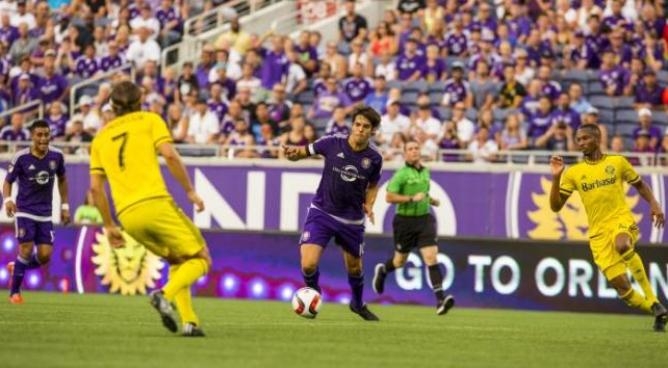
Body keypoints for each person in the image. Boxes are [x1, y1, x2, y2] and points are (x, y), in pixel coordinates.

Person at [89, 81, 212, 337]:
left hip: (127, 217)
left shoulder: (99, 139)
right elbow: (169, 155)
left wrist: (109, 225)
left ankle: (190, 323)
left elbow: (96, 190)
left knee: (178, 259)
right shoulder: (150, 119)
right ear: (139, 101)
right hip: (155, 203)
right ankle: (162, 294)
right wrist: (190, 190)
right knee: (201, 258)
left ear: (112, 106)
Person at [549, 124, 667, 332]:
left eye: (586, 138)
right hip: (598, 234)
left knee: (622, 244)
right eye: (579, 140)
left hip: (620, 220)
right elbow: (555, 207)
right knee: (623, 288)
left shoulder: (617, 162)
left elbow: (639, 184)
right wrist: (557, 177)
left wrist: (655, 204)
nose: (582, 143)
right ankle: (656, 308)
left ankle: (651, 297)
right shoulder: (574, 173)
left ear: (597, 138)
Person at [282, 105, 383, 321]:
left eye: (366, 126)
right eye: (357, 124)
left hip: (352, 219)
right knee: (308, 263)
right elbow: (304, 151)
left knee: (355, 268)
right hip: (323, 212)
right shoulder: (332, 142)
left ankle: (357, 303)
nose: (360, 129)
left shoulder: (374, 158)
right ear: (352, 125)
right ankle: (313, 294)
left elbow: (374, 185)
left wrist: (370, 202)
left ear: (373, 131)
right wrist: (293, 155)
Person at [372, 140, 455, 315]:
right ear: (405, 154)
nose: (414, 151)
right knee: (399, 261)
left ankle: (440, 300)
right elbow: (389, 197)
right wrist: (410, 199)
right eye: (410, 149)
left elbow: (422, 193)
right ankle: (383, 270)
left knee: (431, 257)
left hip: (424, 220)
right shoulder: (401, 174)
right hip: (405, 222)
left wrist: (430, 200)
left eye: (416, 148)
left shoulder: (425, 171)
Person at [3, 120, 69, 304]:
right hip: (24, 210)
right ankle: (14, 293)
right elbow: (8, 181)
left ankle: (16, 267)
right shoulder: (21, 157)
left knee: (45, 255)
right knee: (25, 249)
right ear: (32, 136)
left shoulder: (57, 156)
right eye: (39, 135)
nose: (43, 138)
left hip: (46, 213)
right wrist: (8, 200)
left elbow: (63, 179)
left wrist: (65, 206)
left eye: (46, 134)